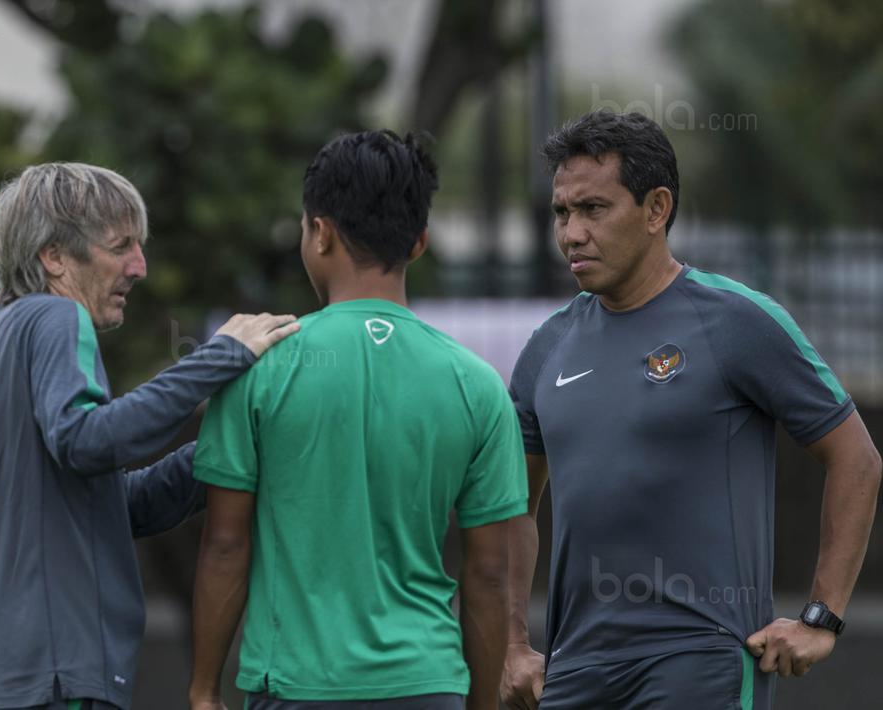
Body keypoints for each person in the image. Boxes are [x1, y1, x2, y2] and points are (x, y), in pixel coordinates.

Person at [500, 110, 881, 709]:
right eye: (562, 212)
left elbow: (856, 458)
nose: (571, 233)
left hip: (702, 661)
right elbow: (512, 507)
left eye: (593, 209)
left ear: (656, 209)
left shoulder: (736, 322)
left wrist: (820, 618)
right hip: (575, 669)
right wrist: (511, 643)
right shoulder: (547, 347)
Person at [188, 130, 527, 710]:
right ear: (419, 243)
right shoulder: (478, 384)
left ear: (319, 232)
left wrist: (202, 689)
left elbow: (225, 544)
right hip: (430, 684)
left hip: (296, 686)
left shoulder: (257, 366)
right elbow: (490, 574)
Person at [0, 161, 300, 710]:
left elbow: (108, 508)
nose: (140, 266)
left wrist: (225, 450)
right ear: (55, 256)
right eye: (120, 246)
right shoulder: (53, 318)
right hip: (54, 677)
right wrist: (219, 359)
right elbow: (87, 440)